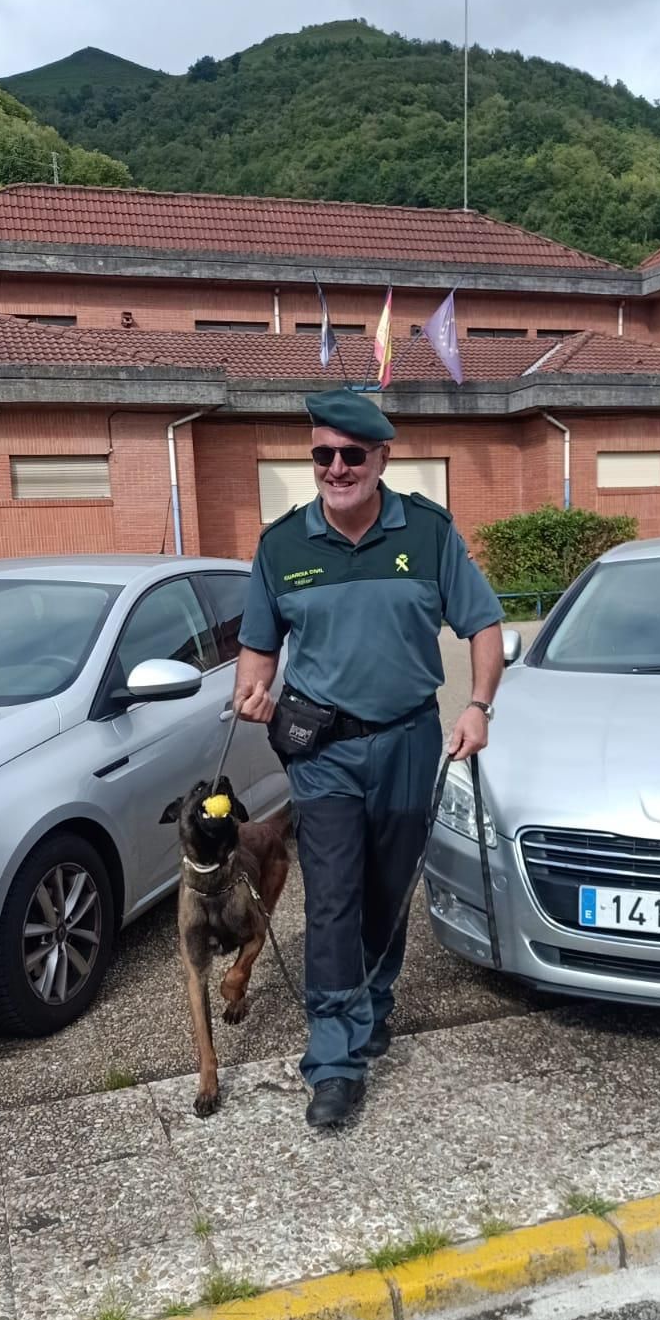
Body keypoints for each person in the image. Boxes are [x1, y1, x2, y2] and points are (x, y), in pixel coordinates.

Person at [234, 388, 504, 1128]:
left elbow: (484, 626)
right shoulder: (281, 545)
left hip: (410, 740)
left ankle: (373, 1005)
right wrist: (252, 695)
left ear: (381, 458)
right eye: (324, 454)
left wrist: (477, 706)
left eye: (353, 455)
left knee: (388, 892)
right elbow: (257, 656)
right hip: (322, 752)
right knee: (332, 902)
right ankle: (333, 1061)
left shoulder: (428, 532)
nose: (337, 467)